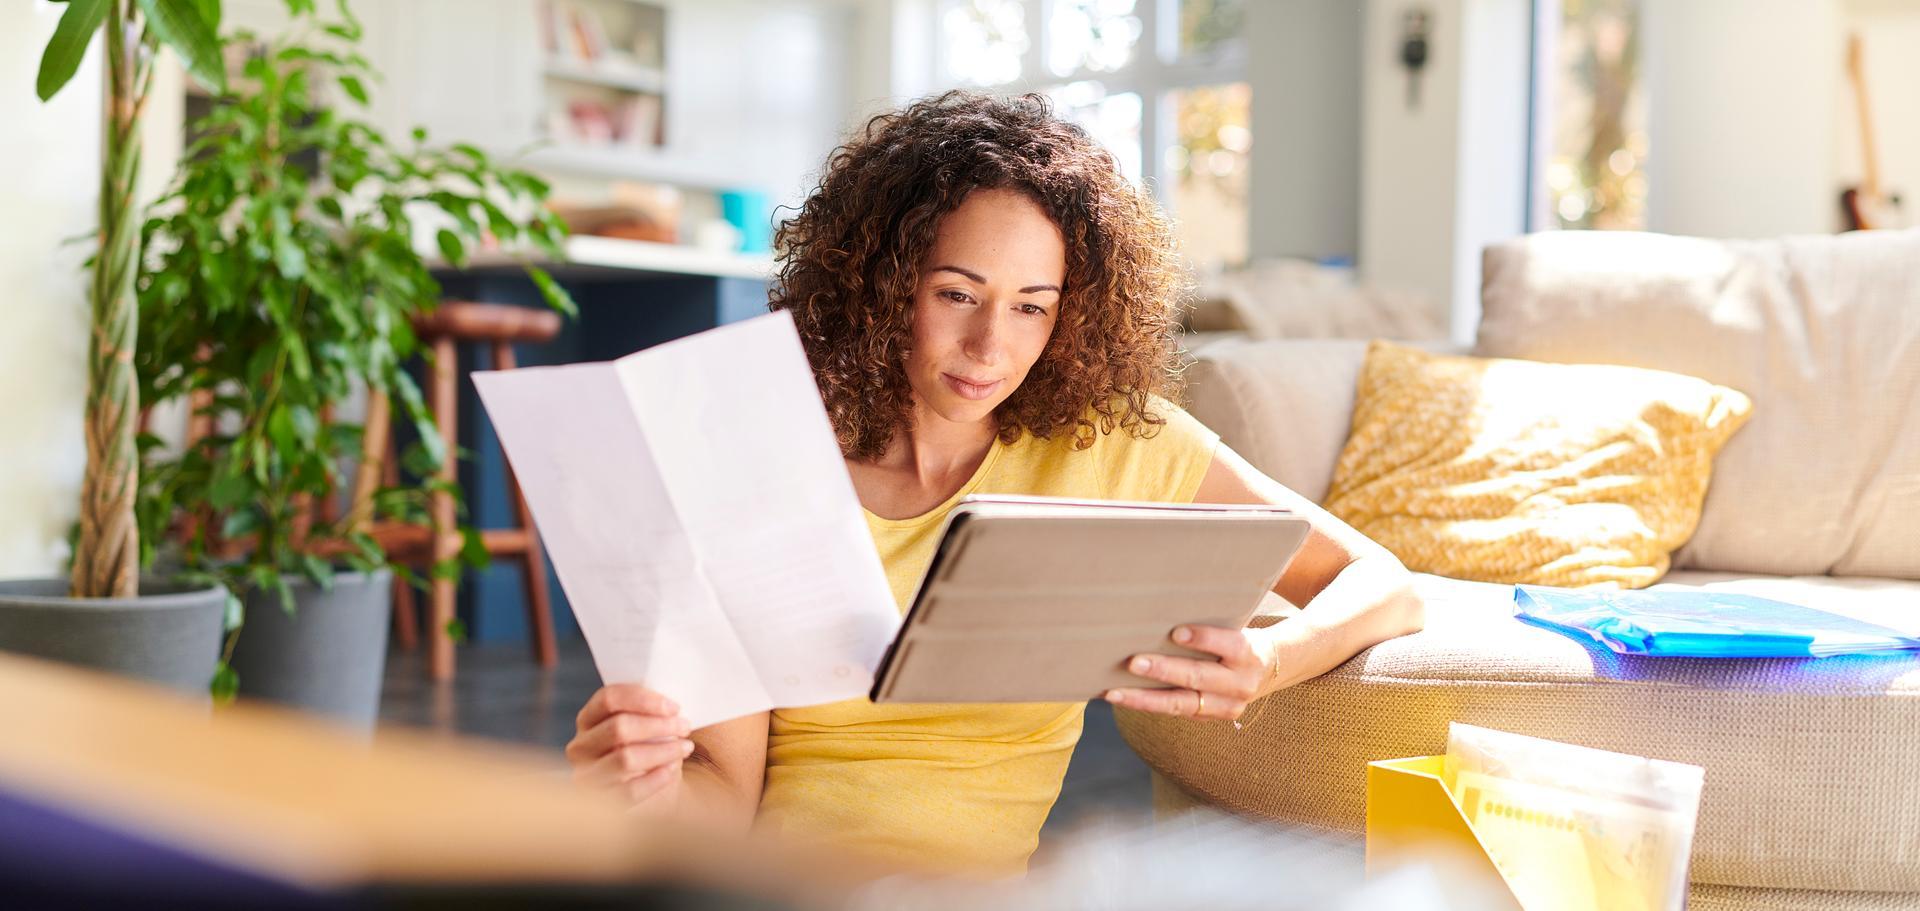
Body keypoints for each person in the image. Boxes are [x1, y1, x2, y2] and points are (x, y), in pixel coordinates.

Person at [565, 91, 1423, 877]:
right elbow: (724, 802)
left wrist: (1271, 660)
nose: (990, 347)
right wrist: (647, 786)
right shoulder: (765, 460)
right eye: (957, 294)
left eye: (1031, 306)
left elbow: (1382, 583)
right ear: (883, 282)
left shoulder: (1112, 442)